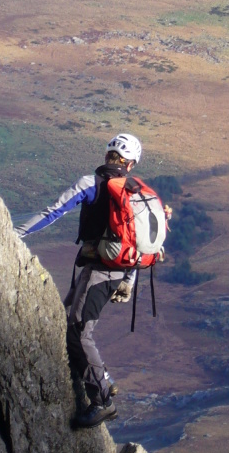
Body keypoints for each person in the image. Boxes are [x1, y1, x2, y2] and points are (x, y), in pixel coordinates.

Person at [15, 132, 147, 428]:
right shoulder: (135, 192)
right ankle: (105, 380)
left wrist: (13, 233)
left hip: (97, 271)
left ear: (107, 154)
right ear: (131, 163)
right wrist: (129, 280)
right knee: (70, 323)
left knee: (77, 331)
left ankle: (102, 400)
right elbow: (139, 241)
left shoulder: (92, 183)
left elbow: (53, 212)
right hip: (119, 272)